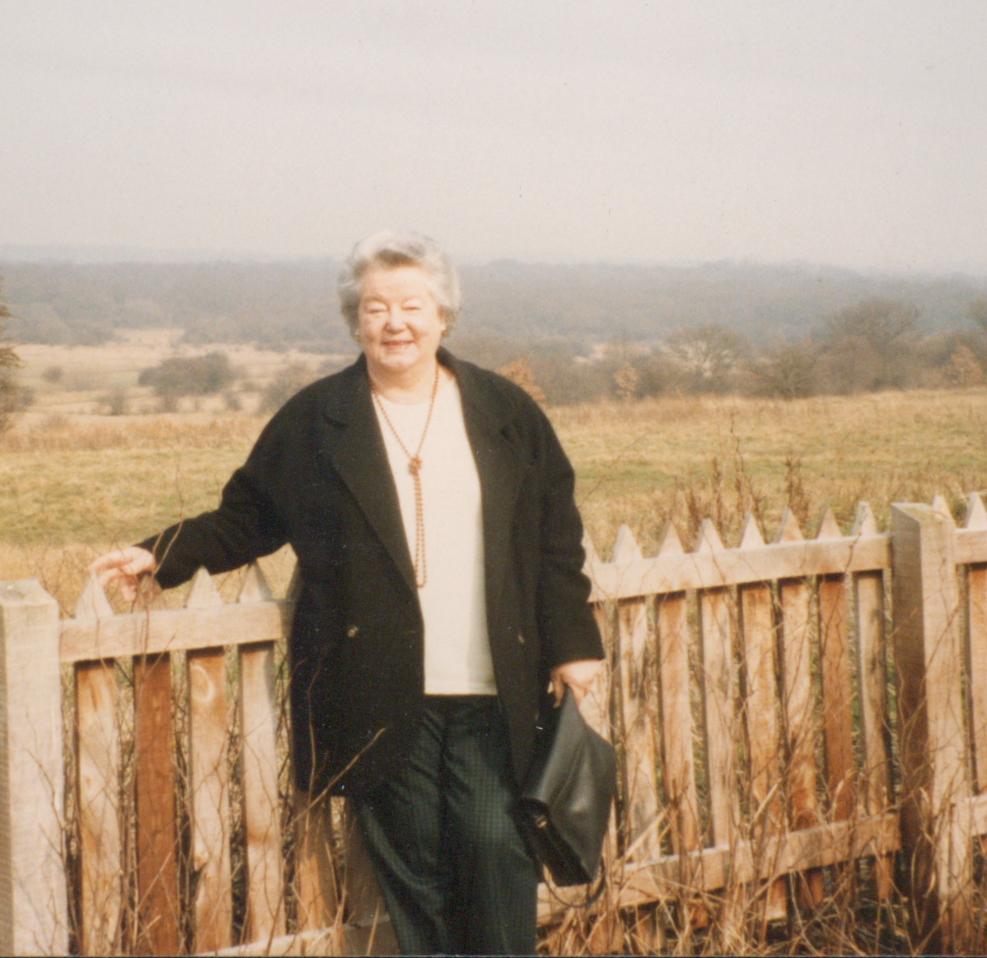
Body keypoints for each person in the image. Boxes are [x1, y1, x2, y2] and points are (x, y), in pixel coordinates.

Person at [91, 230, 605, 955]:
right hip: (380, 693)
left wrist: (574, 643)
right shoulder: (317, 420)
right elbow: (248, 516)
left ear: (443, 315)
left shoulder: (505, 411)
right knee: (417, 879)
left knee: (497, 852)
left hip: (498, 689)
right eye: (375, 308)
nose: (395, 322)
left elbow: (557, 533)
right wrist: (160, 553)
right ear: (354, 320)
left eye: (412, 305)